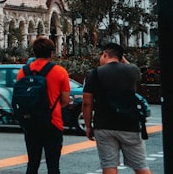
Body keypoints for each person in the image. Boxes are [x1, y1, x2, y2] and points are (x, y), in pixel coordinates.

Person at [82, 42, 152, 174]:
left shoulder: (94, 74)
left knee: (109, 165)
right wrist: (122, 58)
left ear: (104, 54)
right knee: (141, 166)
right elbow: (131, 68)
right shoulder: (132, 70)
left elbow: (87, 103)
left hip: (104, 125)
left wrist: (88, 126)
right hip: (130, 124)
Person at [17, 36, 71, 174]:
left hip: (30, 121)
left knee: (32, 163)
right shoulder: (60, 72)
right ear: (51, 53)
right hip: (53, 122)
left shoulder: (23, 72)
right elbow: (65, 100)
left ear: (33, 52)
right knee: (53, 165)